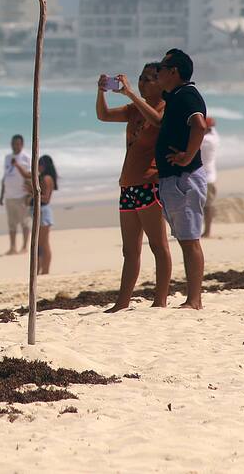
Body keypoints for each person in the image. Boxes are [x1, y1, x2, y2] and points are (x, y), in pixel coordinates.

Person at [100, 64, 172, 311]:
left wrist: (130, 93)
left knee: (158, 245)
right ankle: (122, 302)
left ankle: (160, 300)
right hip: (128, 185)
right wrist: (101, 92)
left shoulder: (164, 108)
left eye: (147, 80)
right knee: (129, 250)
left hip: (149, 184)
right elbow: (104, 115)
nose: (141, 84)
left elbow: (159, 122)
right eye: (139, 79)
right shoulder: (134, 111)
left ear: (160, 83)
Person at [153, 48, 209, 310]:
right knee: (185, 238)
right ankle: (192, 297)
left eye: (161, 68)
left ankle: (194, 299)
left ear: (174, 71)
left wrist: (187, 156)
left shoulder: (187, 95)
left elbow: (200, 125)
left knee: (189, 240)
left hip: (183, 178)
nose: (157, 72)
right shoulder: (174, 96)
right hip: (174, 178)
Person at [0, 134, 32, 255]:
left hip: (21, 196)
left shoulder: (26, 157)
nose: (15, 146)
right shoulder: (7, 157)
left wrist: (30, 194)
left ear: (22, 145)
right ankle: (12, 247)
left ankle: (24, 246)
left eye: (18, 144)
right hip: (9, 196)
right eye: (14, 143)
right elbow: (5, 176)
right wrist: (2, 194)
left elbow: (30, 176)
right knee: (12, 224)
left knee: (24, 222)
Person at [34, 156, 58, 275]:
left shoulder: (47, 178)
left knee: (43, 244)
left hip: (44, 211)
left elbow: (46, 199)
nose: (37, 167)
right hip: (41, 211)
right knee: (40, 244)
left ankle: (45, 270)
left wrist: (32, 193)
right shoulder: (43, 177)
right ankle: (41, 270)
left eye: (39, 164)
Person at [201, 117, 220, 238]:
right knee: (206, 206)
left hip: (206, 178)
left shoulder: (206, 141)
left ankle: (207, 231)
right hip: (208, 176)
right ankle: (206, 230)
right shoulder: (214, 136)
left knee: (207, 206)